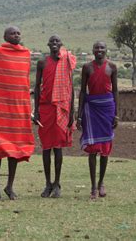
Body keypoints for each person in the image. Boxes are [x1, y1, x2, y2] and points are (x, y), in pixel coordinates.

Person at [0, 26, 35, 200]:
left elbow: (24, 83)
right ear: (5, 36)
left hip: (18, 110)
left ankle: (9, 186)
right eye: (13, 33)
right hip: (0, 109)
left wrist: (27, 107)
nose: (16, 35)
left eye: (19, 33)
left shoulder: (26, 54)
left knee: (15, 149)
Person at [33, 35, 76, 198]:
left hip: (61, 108)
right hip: (45, 109)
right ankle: (47, 184)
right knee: (46, 147)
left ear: (61, 44)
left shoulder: (66, 61)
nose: (55, 44)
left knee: (58, 147)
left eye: (57, 41)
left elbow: (71, 89)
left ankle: (57, 183)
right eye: (52, 42)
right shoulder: (42, 63)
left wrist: (72, 112)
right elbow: (37, 87)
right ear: (48, 45)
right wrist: (35, 110)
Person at [77, 40, 118, 200]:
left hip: (107, 108)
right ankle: (93, 186)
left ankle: (101, 183)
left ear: (106, 50)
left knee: (105, 150)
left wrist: (116, 114)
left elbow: (115, 91)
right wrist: (79, 114)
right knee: (93, 150)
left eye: (102, 47)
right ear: (92, 50)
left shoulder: (112, 67)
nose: (99, 50)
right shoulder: (87, 67)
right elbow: (82, 91)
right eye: (96, 47)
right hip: (91, 108)